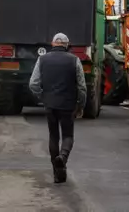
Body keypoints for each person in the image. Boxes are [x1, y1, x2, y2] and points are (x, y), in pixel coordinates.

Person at [29, 32, 87, 183]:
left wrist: (42, 97)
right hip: (68, 105)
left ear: (53, 44)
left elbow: (33, 84)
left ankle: (57, 173)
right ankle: (63, 157)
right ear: (67, 45)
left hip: (50, 104)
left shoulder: (42, 59)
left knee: (53, 136)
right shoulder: (75, 60)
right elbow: (82, 87)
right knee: (68, 136)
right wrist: (80, 105)